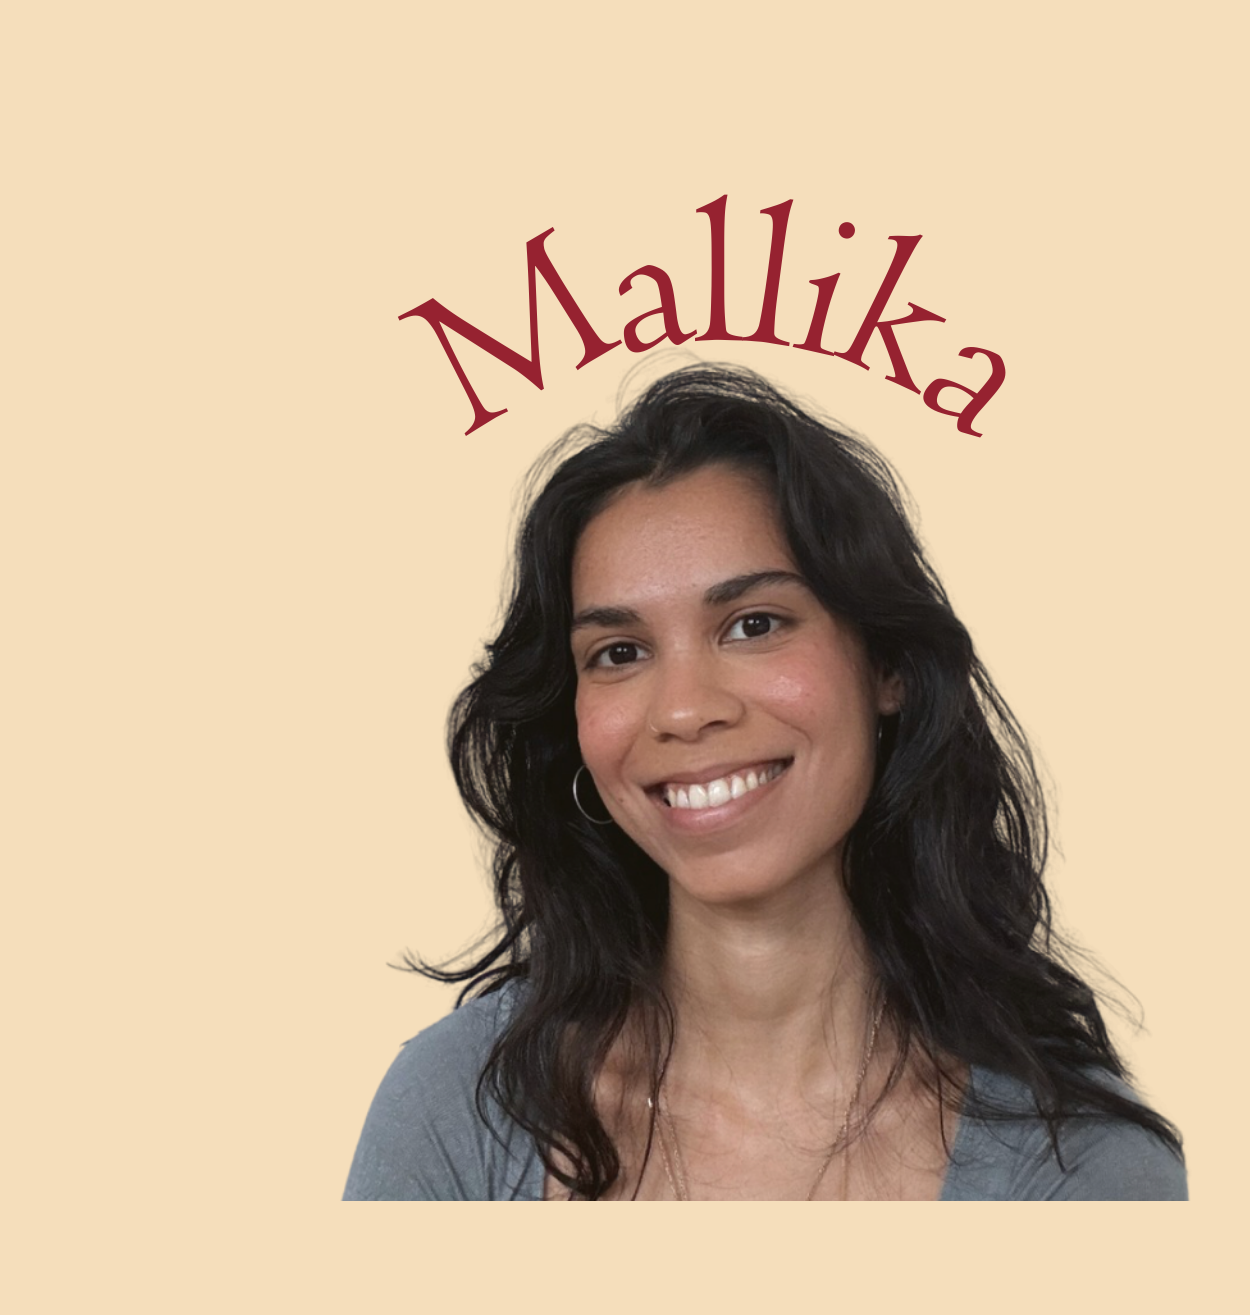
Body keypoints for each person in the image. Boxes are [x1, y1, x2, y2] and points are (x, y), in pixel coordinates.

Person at [344, 363, 1187, 1200]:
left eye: (753, 624)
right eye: (619, 652)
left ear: (885, 662)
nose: (683, 710)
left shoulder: (1085, 1174)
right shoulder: (455, 1108)